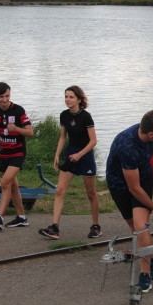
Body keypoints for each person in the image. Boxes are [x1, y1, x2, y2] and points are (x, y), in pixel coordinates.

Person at [106, 110, 153, 293]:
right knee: (135, 230)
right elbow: (133, 189)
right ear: (151, 134)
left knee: (141, 227)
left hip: (143, 178)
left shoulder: (152, 137)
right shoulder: (128, 146)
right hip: (121, 185)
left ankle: (145, 276)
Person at [38, 86, 100, 240]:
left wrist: (80, 154)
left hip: (85, 155)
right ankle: (54, 227)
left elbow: (93, 141)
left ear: (79, 99)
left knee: (91, 194)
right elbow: (63, 137)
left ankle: (96, 226)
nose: (67, 100)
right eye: (66, 96)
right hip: (70, 154)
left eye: (71, 97)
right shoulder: (64, 115)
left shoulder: (86, 117)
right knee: (60, 190)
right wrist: (57, 155)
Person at [0, 82, 34, 230]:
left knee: (5, 183)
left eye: (7, 96)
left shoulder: (18, 110)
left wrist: (16, 128)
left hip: (17, 152)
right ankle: (22, 217)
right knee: (13, 186)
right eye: (1, 97)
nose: (5, 99)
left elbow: (30, 132)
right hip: (2, 152)